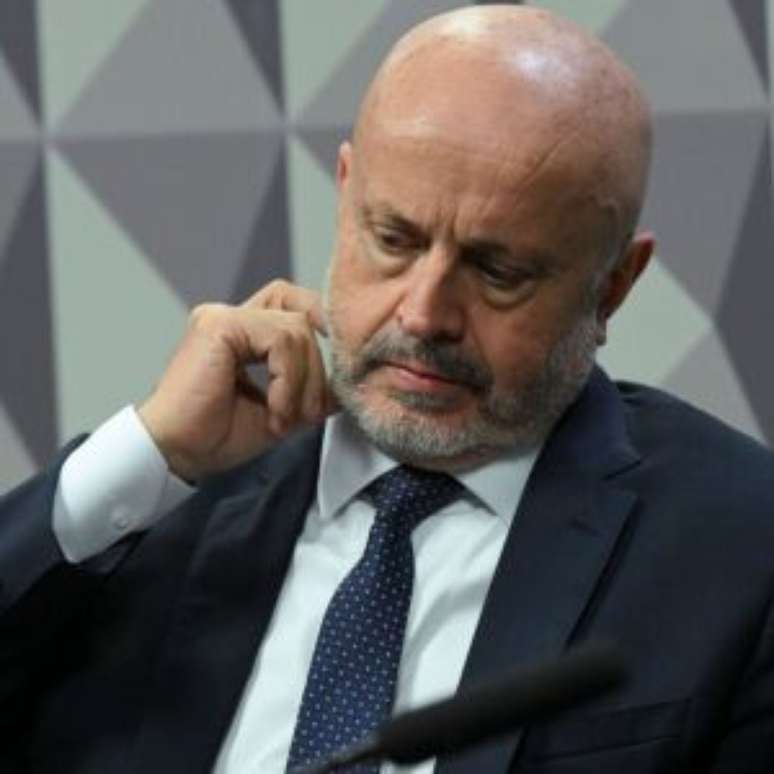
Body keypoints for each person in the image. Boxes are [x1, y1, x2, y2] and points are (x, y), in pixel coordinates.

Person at [1, 5, 773, 773]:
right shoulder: (160, 498)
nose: (424, 314)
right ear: (345, 195)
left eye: (497, 272)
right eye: (394, 240)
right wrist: (152, 452)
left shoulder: (737, 549)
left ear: (613, 286)